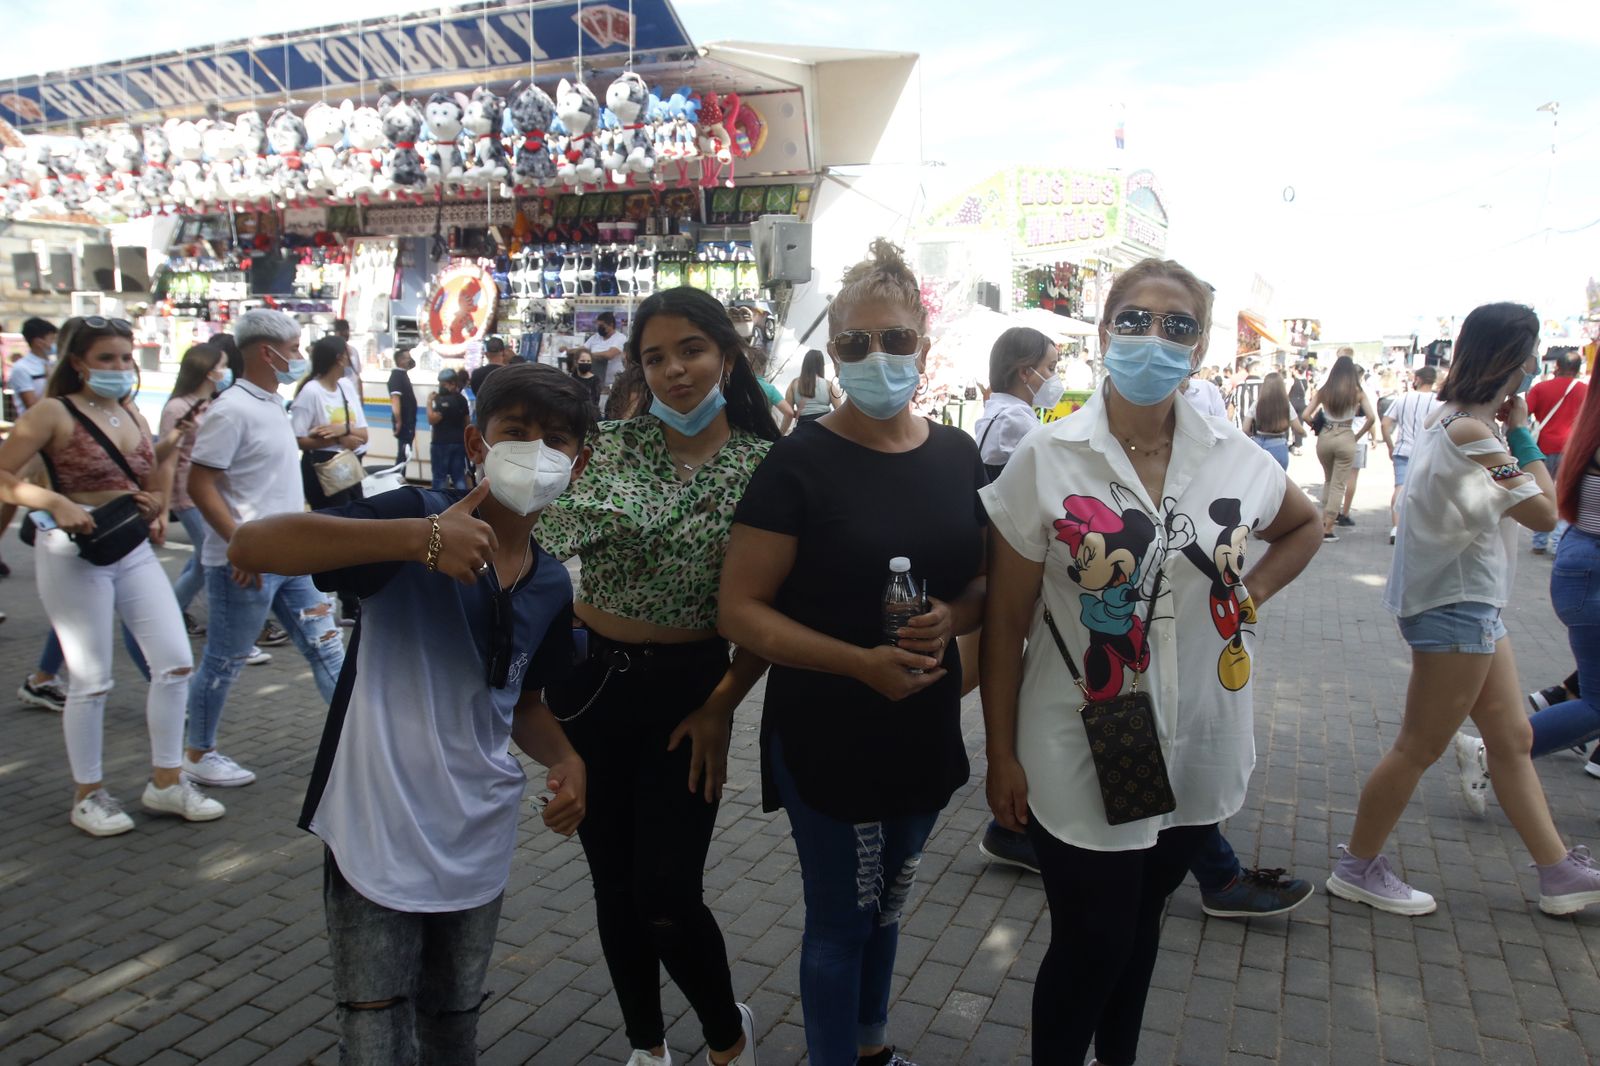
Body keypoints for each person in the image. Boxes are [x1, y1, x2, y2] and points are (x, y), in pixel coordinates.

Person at [979, 258, 1322, 1064]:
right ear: (1104, 333)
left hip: (1199, 731)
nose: (1153, 337)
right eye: (1135, 319)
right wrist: (1000, 753)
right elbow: (1004, 621)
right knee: (1092, 939)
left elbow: (1304, 525)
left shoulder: (1236, 457)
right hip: (1085, 731)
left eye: (1177, 325)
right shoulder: (1048, 455)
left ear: (1199, 348)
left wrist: (1249, 596)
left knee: (1139, 926)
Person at [229, 363, 591, 1065]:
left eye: (555, 440)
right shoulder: (416, 514)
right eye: (516, 432)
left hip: (476, 831)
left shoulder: (549, 581)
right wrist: (416, 540)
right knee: (373, 1025)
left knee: (454, 1020)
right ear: (476, 443)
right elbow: (253, 545)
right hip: (376, 825)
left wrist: (566, 757)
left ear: (578, 464)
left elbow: (523, 702)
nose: (535, 452)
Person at [719, 239, 988, 1066]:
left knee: (889, 908)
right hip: (827, 733)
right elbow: (740, 610)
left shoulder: (958, 455)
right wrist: (857, 662)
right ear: (833, 354)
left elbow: (983, 586)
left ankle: (871, 1049)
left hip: (922, 727)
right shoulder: (797, 463)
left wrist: (952, 614)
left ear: (923, 346)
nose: (878, 357)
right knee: (840, 922)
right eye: (856, 343)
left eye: (895, 338)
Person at [537, 287, 774, 1066]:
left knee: (667, 895)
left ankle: (726, 1034)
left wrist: (722, 706)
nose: (675, 370)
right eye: (655, 357)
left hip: (689, 697)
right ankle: (647, 1043)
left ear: (727, 356)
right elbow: (540, 540)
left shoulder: (766, 467)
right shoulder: (608, 447)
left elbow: (772, 611)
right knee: (614, 886)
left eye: (691, 350)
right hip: (590, 688)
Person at [1329, 302, 1600, 917]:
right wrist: (1524, 432)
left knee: (1512, 738)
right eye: (1530, 354)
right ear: (1512, 359)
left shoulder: (1456, 420)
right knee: (1419, 745)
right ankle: (1358, 866)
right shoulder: (1472, 432)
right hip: (1455, 606)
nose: (1535, 364)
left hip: (1470, 603)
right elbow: (1545, 511)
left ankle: (1557, 871)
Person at [0, 316, 224, 835]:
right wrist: (53, 501)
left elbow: (150, 468)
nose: (120, 367)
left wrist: (157, 501)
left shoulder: (130, 410)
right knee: (91, 679)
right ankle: (89, 794)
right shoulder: (54, 412)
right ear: (78, 363)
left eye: (125, 357)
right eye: (106, 358)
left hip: (129, 545)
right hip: (72, 550)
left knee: (175, 663)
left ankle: (166, 781)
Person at [183, 309, 348, 789]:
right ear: (265, 352)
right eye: (294, 349)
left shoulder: (273, 404)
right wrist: (240, 546)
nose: (300, 357)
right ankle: (197, 753)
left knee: (327, 646)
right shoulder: (231, 409)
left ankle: (358, 740)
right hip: (245, 565)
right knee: (225, 660)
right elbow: (200, 484)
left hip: (288, 556)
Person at [968, 327, 1058, 874]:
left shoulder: (997, 413)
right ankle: (1012, 819)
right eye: (1051, 366)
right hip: (1019, 561)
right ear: (1026, 371)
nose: (1054, 377)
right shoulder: (1018, 424)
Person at [162, 344, 232, 634]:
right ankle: (170, 615)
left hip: (213, 492)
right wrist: (162, 507)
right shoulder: (177, 408)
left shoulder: (213, 404)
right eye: (222, 365)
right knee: (207, 558)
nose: (226, 372)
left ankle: (175, 611)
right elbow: (166, 458)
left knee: (201, 558)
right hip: (188, 494)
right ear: (207, 370)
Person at [0, 316, 59, 576]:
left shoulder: (54, 365)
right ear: (38, 341)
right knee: (12, 495)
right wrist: (51, 384)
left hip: (54, 440)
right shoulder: (23, 369)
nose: (53, 343)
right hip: (30, 441)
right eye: (50, 339)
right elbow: (34, 407)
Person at [1300, 354, 1378, 542]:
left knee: (1328, 480)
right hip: (1345, 434)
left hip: (1326, 435)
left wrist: (1316, 426)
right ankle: (1328, 527)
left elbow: (1305, 414)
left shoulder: (1325, 390)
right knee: (1338, 484)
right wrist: (1357, 436)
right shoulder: (1357, 392)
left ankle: (1322, 520)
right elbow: (1371, 417)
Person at [291, 336, 370, 511]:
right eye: (348, 354)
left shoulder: (346, 387)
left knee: (356, 515)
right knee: (333, 518)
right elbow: (297, 440)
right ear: (339, 359)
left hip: (348, 466)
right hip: (322, 469)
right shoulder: (311, 392)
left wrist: (343, 429)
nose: (351, 358)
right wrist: (339, 440)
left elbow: (364, 435)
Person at [1527, 348, 1588, 554]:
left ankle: (1539, 541)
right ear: (1578, 369)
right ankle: (1558, 543)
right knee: (1565, 495)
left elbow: (1524, 413)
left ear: (1557, 366)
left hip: (1542, 449)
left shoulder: (1540, 388)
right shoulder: (1586, 391)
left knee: (1542, 493)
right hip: (1573, 451)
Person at [1381, 366, 1442, 544]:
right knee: (1425, 490)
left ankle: (1396, 527)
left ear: (1418, 379)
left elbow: (1385, 424)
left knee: (1400, 487)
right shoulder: (1439, 403)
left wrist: (1390, 445)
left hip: (1403, 450)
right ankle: (1421, 528)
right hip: (1427, 452)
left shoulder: (1403, 398)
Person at [1241, 371, 1304, 469]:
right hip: (1278, 445)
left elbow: (1245, 429)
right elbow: (1298, 428)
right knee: (1278, 477)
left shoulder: (1257, 403)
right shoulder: (1286, 404)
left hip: (1259, 446)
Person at [428, 370, 470, 491]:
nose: (441, 386)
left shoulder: (443, 401)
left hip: (441, 443)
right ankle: (462, 499)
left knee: (440, 478)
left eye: (443, 384)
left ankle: (440, 501)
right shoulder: (462, 399)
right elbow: (467, 422)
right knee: (459, 476)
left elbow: (432, 419)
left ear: (453, 384)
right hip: (459, 442)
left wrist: (429, 402)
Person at [570, 311, 628, 396]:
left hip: (614, 383)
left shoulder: (620, 338)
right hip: (596, 382)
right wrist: (569, 350)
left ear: (611, 325)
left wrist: (590, 354)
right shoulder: (595, 337)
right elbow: (582, 349)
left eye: (601, 325)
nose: (599, 328)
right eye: (598, 325)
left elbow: (609, 355)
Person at [782, 349, 841, 433]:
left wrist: (780, 434)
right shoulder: (829, 385)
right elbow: (840, 411)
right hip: (824, 428)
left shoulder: (794, 384)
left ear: (805, 364)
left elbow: (788, 413)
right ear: (821, 365)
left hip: (802, 428)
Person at [386, 348, 418, 467]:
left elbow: (413, 365)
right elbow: (395, 399)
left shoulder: (403, 375)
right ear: (400, 360)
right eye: (407, 358)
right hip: (404, 421)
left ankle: (399, 474)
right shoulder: (397, 377)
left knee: (405, 453)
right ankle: (398, 475)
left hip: (408, 421)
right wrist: (398, 421)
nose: (410, 360)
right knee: (403, 453)